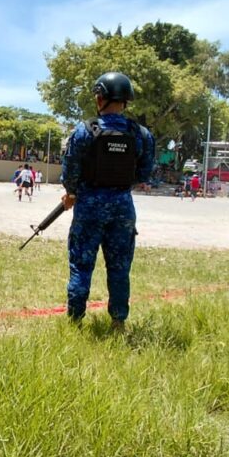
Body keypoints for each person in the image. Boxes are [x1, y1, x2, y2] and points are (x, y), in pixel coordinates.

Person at [60, 72, 155, 332]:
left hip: (89, 205)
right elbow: (145, 173)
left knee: (81, 265)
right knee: (120, 268)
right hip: (123, 207)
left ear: (101, 96)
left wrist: (72, 191)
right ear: (126, 100)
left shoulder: (84, 130)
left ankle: (75, 321)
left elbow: (70, 169)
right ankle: (118, 322)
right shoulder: (141, 134)